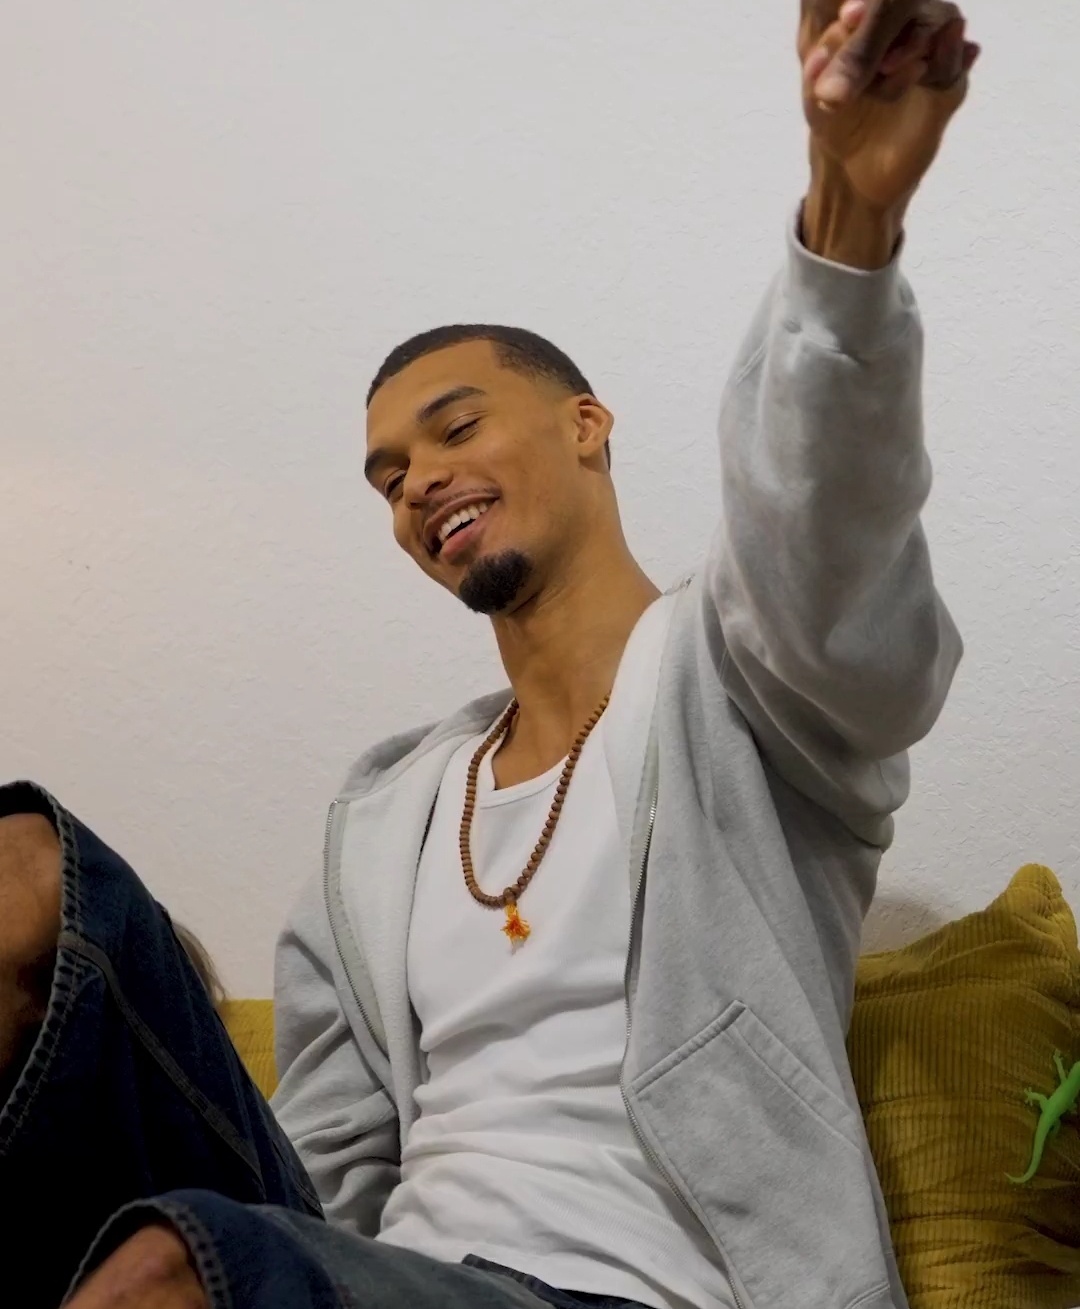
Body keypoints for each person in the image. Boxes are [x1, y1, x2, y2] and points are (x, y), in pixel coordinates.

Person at [0, 1, 977, 1306]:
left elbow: (829, 536)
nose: (418, 480)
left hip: (634, 1292)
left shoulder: (750, 687)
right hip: (394, 1273)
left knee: (179, 1268)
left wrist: (845, 228)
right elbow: (327, 1163)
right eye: (388, 474)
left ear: (587, 424)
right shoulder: (381, 819)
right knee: (23, 869)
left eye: (456, 429)